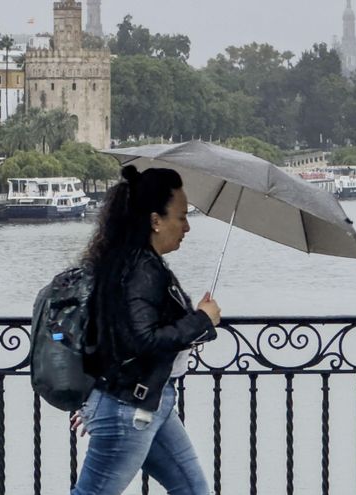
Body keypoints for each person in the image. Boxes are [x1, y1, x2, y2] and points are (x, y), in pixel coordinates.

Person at [70, 165, 221, 495]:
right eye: (181, 217)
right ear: (155, 220)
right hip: (130, 407)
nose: (187, 227)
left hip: (149, 401)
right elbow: (142, 339)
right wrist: (202, 320)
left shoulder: (131, 262)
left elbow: (116, 335)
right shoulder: (142, 269)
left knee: (194, 490)